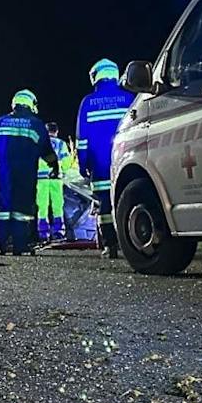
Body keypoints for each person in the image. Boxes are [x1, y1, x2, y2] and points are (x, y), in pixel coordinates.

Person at [0, 90, 59, 255]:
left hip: (3, 172)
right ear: (31, 104)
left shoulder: (0, 122)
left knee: (3, 209)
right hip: (26, 173)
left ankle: (0, 246)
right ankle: (20, 246)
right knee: (22, 210)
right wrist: (54, 166)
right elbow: (47, 150)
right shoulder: (35, 124)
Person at [76, 58, 135, 257]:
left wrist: (83, 164)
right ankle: (132, 243)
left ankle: (110, 246)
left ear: (95, 76)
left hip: (100, 164)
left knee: (105, 206)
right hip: (127, 158)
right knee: (127, 200)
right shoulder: (129, 98)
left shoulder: (88, 103)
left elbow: (82, 140)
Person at [36, 120, 71, 242]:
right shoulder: (61, 144)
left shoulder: (40, 143)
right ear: (56, 131)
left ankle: (43, 233)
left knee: (42, 206)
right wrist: (63, 170)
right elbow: (67, 162)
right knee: (57, 206)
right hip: (56, 178)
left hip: (41, 178)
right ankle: (58, 232)